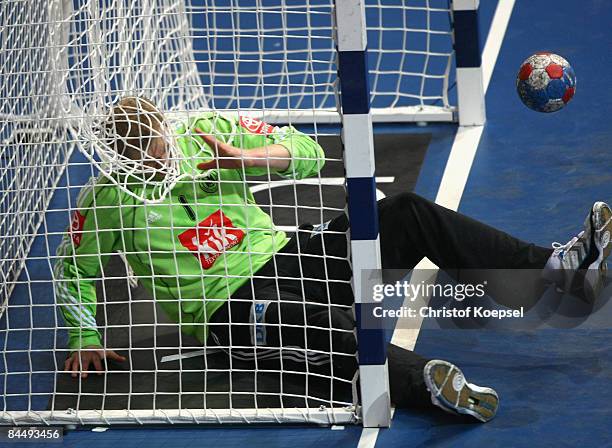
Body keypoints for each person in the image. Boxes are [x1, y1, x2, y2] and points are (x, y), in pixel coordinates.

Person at [55, 96, 612, 423]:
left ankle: (554, 273)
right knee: (323, 327)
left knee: (407, 213)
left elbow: (309, 152)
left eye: (161, 150)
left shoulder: (204, 135)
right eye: (145, 161)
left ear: (165, 131)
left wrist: (248, 158)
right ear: (122, 161)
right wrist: (83, 336)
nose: (161, 163)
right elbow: (73, 267)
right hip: (227, 310)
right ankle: (430, 385)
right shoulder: (107, 201)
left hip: (287, 256)